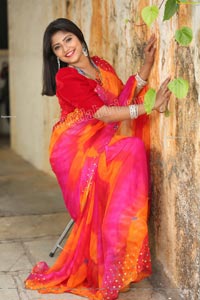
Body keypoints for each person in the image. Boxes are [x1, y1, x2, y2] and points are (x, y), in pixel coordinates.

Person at [24, 18, 171, 300]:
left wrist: (147, 65)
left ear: (78, 37)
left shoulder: (101, 66)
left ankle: (113, 263)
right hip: (74, 153)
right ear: (54, 55)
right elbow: (103, 114)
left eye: (68, 39)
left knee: (130, 152)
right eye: (57, 47)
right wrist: (150, 106)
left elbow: (119, 102)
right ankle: (109, 266)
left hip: (101, 144)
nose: (66, 48)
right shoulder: (65, 78)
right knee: (130, 149)